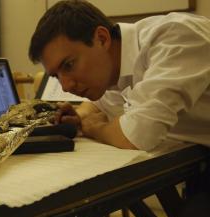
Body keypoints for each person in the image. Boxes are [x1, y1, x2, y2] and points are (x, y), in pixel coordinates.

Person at [29, 0, 210, 152]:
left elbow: (137, 136)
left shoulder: (174, 37)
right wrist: (78, 117)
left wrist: (93, 128)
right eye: (56, 76)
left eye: (68, 65)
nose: (66, 86)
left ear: (101, 39)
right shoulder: (114, 69)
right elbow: (97, 107)